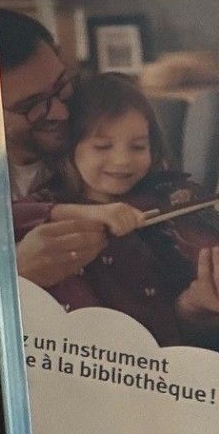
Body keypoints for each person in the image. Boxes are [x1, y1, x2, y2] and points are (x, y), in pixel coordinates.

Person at [13, 73, 219, 346]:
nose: (122, 160)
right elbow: (10, 217)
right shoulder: (49, 204)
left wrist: (193, 303)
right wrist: (87, 213)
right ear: (70, 148)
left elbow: (169, 318)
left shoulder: (164, 210)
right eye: (103, 146)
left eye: (138, 146)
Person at [0, 6, 110, 289]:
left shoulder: (106, 132)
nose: (61, 112)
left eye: (61, 85)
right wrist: (15, 275)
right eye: (32, 105)